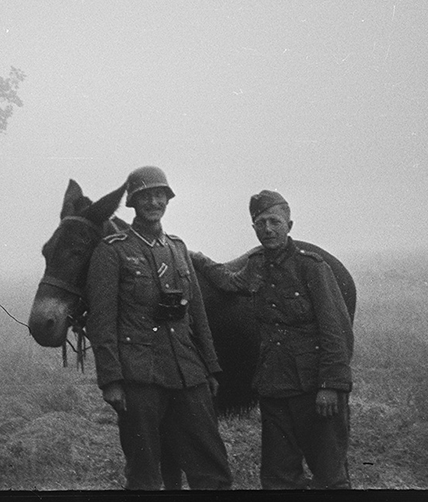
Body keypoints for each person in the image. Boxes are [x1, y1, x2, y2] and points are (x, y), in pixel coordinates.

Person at [190, 190, 354, 489]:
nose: (267, 229)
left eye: (274, 221)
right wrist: (195, 257)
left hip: (313, 386)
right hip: (274, 387)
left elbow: (336, 331)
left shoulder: (312, 268)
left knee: (329, 476)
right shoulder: (256, 265)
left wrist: (331, 385)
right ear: (253, 228)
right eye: (260, 222)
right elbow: (228, 280)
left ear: (289, 225)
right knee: (278, 478)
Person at [84, 166, 232, 490]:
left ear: (167, 199)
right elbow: (102, 321)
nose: (154, 201)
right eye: (145, 196)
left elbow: (197, 314)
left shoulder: (178, 248)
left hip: (186, 371)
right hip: (139, 377)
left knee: (212, 466)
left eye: (159, 195)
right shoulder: (112, 251)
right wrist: (111, 379)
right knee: (145, 472)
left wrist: (210, 366)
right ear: (133, 203)